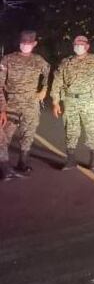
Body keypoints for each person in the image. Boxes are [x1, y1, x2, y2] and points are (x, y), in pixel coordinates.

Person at [51, 35, 94, 170]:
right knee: (70, 130)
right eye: (76, 44)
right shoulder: (66, 62)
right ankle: (70, 159)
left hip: (89, 101)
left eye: (81, 44)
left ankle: (93, 160)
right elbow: (57, 82)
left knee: (92, 130)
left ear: (87, 46)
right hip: (70, 101)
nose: (78, 46)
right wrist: (55, 101)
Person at [0, 30, 50, 180]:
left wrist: (44, 88)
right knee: (4, 136)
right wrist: (2, 108)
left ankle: (23, 162)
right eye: (23, 42)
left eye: (28, 43)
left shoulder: (38, 60)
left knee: (28, 134)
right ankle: (4, 168)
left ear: (34, 44)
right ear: (19, 42)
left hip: (31, 104)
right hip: (12, 104)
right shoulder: (7, 60)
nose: (25, 45)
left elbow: (47, 71)